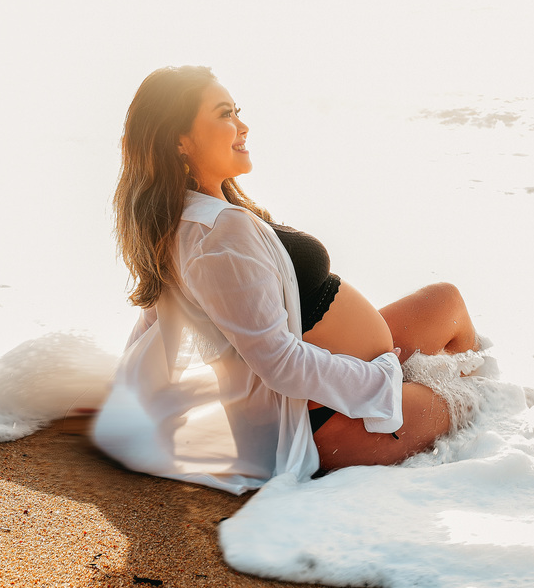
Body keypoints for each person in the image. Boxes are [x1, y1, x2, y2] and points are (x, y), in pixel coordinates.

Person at [92, 65, 480, 494]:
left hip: (343, 383)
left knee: (447, 301)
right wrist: (380, 379)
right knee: (475, 400)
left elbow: (153, 323)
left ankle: (422, 394)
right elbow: (280, 364)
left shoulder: (193, 215)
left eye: (236, 111)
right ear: (179, 141)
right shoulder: (216, 234)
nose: (242, 125)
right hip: (327, 420)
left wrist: (121, 404)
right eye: (224, 114)